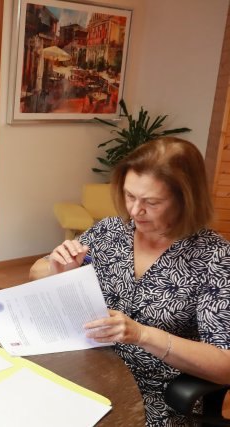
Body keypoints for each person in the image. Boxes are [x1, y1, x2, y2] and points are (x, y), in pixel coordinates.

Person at [30, 137, 230, 426]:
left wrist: (142, 335)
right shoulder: (110, 231)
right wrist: (59, 269)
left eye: (151, 202)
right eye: (129, 196)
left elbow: (225, 364)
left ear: (186, 199)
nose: (135, 211)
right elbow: (35, 272)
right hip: (84, 370)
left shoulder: (214, 258)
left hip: (153, 396)